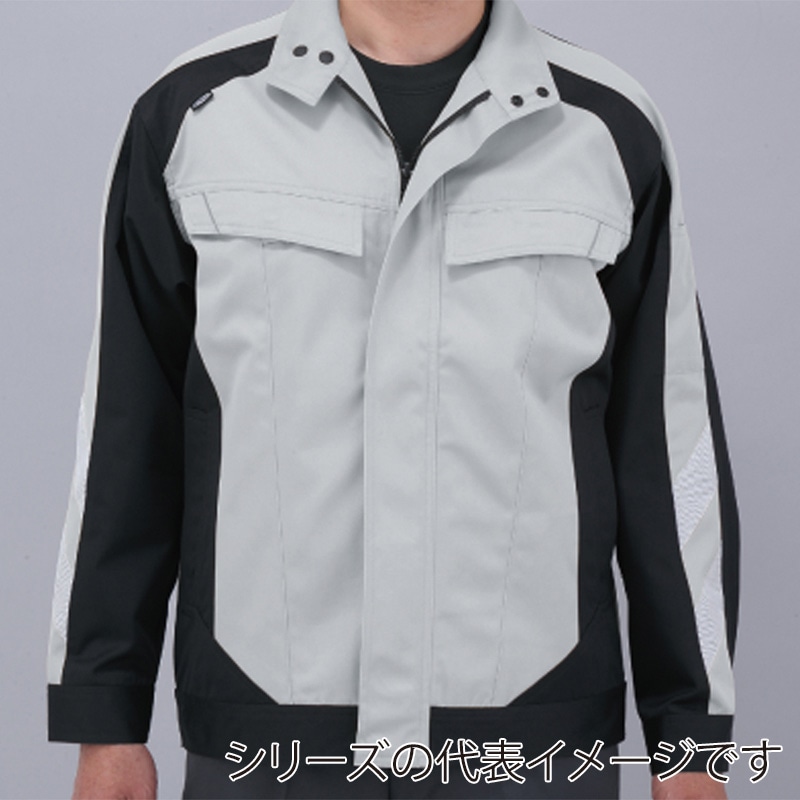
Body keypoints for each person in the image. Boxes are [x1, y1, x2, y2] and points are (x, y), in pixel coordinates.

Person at [46, 1, 739, 798]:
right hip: (269, 736)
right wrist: (105, 718)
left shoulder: (602, 127)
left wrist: (692, 741)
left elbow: (667, 446)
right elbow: (127, 437)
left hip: (531, 736)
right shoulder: (197, 114)